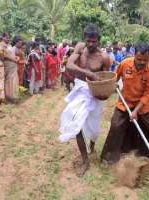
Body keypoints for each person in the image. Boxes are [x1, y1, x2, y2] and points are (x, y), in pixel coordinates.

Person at [100, 42, 149, 164]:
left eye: (145, 60)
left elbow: (148, 94)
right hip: (125, 102)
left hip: (143, 105)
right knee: (115, 126)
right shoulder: (125, 64)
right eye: (139, 59)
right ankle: (109, 157)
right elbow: (115, 76)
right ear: (134, 55)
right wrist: (113, 83)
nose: (141, 62)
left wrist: (136, 111)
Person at [59, 24, 110, 176]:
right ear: (85, 40)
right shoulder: (80, 48)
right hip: (81, 90)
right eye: (89, 41)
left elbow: (107, 79)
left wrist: (105, 92)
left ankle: (92, 146)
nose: (91, 44)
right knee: (75, 122)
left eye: (94, 41)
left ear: (99, 41)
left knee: (94, 129)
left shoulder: (104, 58)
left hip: (95, 93)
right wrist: (88, 73)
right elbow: (69, 65)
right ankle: (85, 160)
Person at [0, 33, 19, 103]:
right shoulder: (1, 45)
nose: (8, 39)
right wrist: (13, 59)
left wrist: (15, 57)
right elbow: (3, 56)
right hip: (8, 64)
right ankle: (8, 97)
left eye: (9, 38)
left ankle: (13, 96)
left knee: (14, 80)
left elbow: (12, 54)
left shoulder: (9, 45)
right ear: (3, 37)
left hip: (13, 64)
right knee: (9, 80)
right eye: (7, 38)